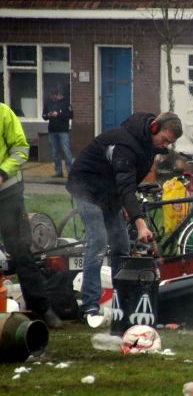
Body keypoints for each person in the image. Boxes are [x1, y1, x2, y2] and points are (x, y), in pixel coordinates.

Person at [66, 112, 182, 318]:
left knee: (122, 246)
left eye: (169, 143)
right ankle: (89, 305)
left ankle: (121, 298)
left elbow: (128, 182)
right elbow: (126, 185)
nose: (165, 146)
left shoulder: (148, 146)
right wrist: (140, 224)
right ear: (154, 128)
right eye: (164, 140)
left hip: (109, 192)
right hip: (86, 187)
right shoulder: (126, 145)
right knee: (98, 241)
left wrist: (126, 206)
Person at [0, 103, 63, 328]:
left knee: (21, 253)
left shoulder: (3, 113)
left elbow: (20, 149)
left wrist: (2, 172)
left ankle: (42, 308)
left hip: (7, 193)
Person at [42, 90, 73, 177]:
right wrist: (48, 115)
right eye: (52, 96)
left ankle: (70, 171)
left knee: (66, 151)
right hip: (52, 130)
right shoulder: (48, 103)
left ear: (58, 95)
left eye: (54, 96)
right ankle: (58, 171)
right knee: (55, 152)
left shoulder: (65, 103)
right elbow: (44, 116)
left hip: (63, 130)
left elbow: (70, 115)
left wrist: (58, 114)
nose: (53, 98)